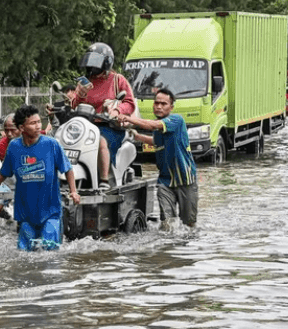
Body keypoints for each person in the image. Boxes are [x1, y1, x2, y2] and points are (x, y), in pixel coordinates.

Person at [0, 105, 81, 251]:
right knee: (25, 254)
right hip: (26, 214)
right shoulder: (14, 147)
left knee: (50, 253)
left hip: (50, 211)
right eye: (33, 123)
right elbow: (4, 172)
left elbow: (68, 169)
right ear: (21, 128)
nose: (38, 126)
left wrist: (74, 191)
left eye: (39, 122)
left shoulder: (51, 144)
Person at [119, 88, 198, 227]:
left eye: (164, 104)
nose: (159, 106)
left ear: (171, 107)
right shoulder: (159, 130)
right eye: (156, 103)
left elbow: (153, 125)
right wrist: (137, 137)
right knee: (167, 223)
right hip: (165, 181)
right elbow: (156, 142)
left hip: (185, 180)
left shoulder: (176, 120)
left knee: (189, 225)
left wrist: (129, 118)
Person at [69, 42, 136, 190]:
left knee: (100, 141)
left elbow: (130, 103)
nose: (92, 67)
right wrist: (80, 96)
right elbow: (73, 105)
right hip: (85, 126)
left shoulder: (117, 80)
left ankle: (104, 179)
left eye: (96, 62)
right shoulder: (85, 82)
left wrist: (117, 111)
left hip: (109, 126)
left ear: (106, 63)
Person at [0, 113, 19, 220]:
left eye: (13, 130)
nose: (9, 133)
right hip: (9, 181)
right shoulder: (2, 145)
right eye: (6, 130)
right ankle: (9, 220)